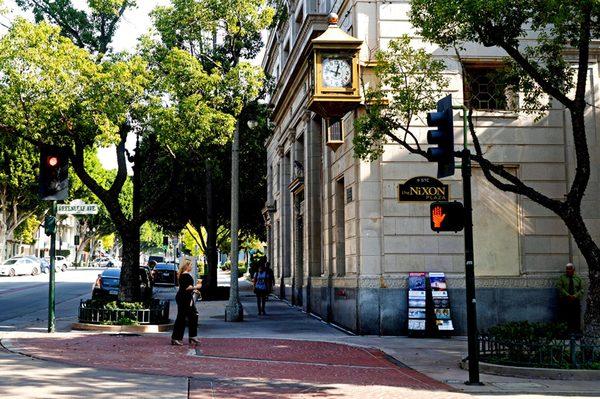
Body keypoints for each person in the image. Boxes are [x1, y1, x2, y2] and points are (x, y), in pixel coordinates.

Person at [171, 260, 202, 346]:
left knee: (193, 315)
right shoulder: (185, 275)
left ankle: (192, 336)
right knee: (181, 317)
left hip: (185, 297)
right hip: (184, 298)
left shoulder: (184, 275)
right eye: (190, 265)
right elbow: (187, 288)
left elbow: (187, 287)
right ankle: (176, 338)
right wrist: (198, 286)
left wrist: (194, 289)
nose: (191, 267)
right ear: (186, 266)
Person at [556, 263, 583, 334]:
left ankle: (576, 332)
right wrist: (567, 295)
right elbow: (559, 287)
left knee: (576, 316)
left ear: (573, 270)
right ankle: (565, 332)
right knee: (565, 316)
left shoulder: (578, 278)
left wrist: (575, 296)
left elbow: (582, 289)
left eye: (569, 269)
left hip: (575, 300)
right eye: (567, 269)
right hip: (565, 300)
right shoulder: (562, 278)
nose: (568, 271)